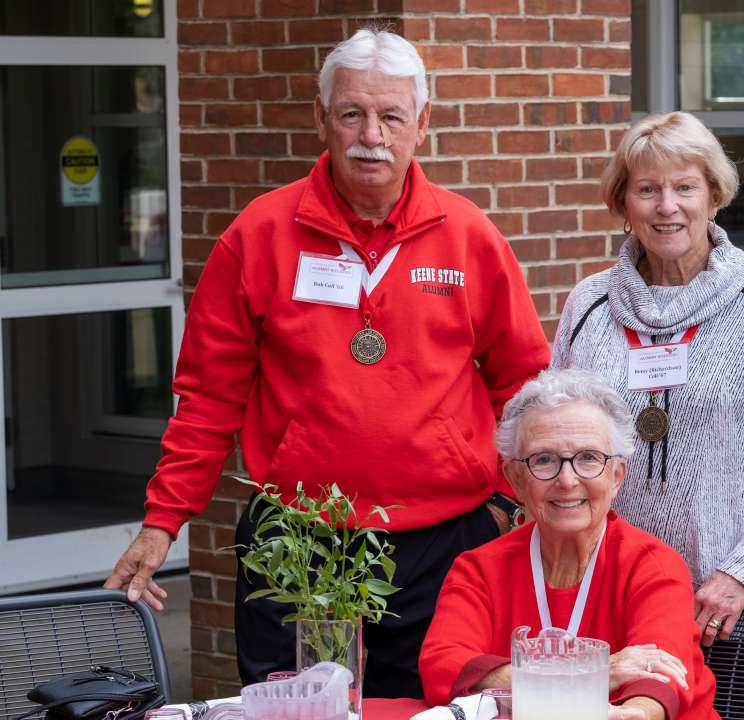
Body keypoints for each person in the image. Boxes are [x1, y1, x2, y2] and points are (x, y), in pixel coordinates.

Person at [104, 28, 549, 695]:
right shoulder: (258, 235)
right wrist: (163, 522)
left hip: (444, 542)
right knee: (295, 710)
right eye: (352, 114)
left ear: (421, 124)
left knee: (435, 708)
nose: (371, 134)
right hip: (297, 540)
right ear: (322, 118)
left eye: (391, 116)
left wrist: (509, 500)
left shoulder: (469, 238)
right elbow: (208, 396)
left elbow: (524, 385)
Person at [550, 112, 744, 644]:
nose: (667, 206)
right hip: (615, 595)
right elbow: (558, 443)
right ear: (624, 204)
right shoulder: (588, 304)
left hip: (743, 602)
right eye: (648, 189)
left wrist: (742, 572)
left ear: (714, 197)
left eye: (685, 187)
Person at [419, 368, 719, 720]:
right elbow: (444, 664)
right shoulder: (479, 569)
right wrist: (590, 676)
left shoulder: (653, 565)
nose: (567, 480)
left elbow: (660, 678)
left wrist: (632, 713)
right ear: (515, 477)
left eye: (588, 458)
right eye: (543, 460)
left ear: (617, 476)